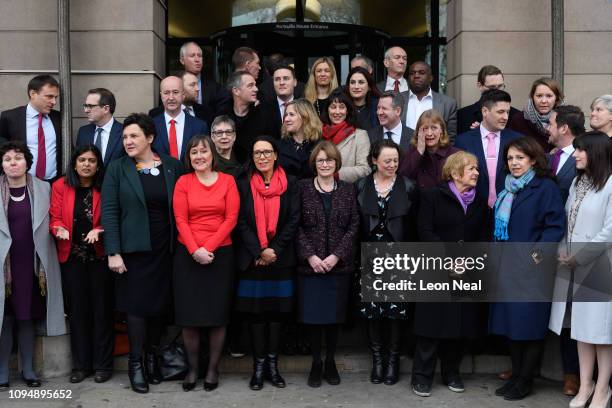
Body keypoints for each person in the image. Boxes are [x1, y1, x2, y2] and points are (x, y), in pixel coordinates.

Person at [101, 113, 184, 394]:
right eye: (125, 137)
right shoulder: (117, 168)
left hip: (166, 249)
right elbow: (109, 212)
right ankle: (136, 364)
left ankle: (152, 358)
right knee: (136, 308)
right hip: (133, 251)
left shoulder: (173, 166)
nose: (128, 141)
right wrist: (113, 252)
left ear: (149, 138)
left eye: (134, 136)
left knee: (159, 307)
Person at [489, 136, 566, 401]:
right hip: (507, 267)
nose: (514, 163)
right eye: (510, 158)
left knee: (530, 326)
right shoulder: (508, 187)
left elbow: (555, 226)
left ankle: (525, 380)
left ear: (533, 159)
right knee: (511, 325)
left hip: (533, 269)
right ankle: (517, 375)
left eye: (520, 158)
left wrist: (536, 257)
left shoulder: (545, 187)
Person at [412, 151, 490, 397]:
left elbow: (482, 237)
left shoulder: (479, 202)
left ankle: (451, 373)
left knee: (459, 325)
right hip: (437, 269)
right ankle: (422, 377)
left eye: (477, 168)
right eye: (471, 169)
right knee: (431, 327)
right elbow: (425, 231)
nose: (476, 172)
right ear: (455, 173)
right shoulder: (433, 196)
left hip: (466, 271)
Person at [549, 131, 612, 408]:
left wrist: (582, 256)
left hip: (601, 267)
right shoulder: (578, 181)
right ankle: (585, 386)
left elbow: (610, 230)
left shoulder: (611, 184)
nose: (575, 154)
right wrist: (564, 248)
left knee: (601, 332)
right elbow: (568, 219)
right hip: (573, 265)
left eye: (580, 150)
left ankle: (603, 389)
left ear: (596, 152)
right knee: (580, 328)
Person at [172, 135, 240, 392]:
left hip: (219, 255)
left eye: (203, 152)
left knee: (216, 315)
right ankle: (192, 370)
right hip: (187, 255)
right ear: (188, 157)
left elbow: (231, 218)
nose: (199, 157)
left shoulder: (228, 181)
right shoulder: (183, 182)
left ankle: (212, 369)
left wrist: (208, 248)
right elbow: (180, 219)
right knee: (189, 317)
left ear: (213, 155)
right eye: (193, 153)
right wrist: (195, 250)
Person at [234, 135, 300, 391]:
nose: (262, 157)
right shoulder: (242, 184)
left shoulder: (291, 183)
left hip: (281, 259)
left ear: (275, 155)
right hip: (253, 260)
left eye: (266, 152)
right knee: (256, 315)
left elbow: (294, 219)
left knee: (277, 314)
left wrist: (274, 250)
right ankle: (258, 367)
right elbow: (239, 221)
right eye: (257, 153)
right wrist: (260, 250)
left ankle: (273, 366)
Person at [0, 141, 66, 390]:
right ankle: (2, 371)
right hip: (4, 265)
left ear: (27, 162)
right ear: (2, 165)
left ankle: (28, 369)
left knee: (26, 318)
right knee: (5, 319)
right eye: (7, 159)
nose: (13, 163)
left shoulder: (43, 188)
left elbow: (55, 218)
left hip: (33, 263)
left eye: (18, 158)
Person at [356, 139, 418, 386]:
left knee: (395, 313)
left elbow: (413, 226)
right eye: (387, 161)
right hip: (370, 257)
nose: (392, 165)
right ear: (374, 161)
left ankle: (392, 361)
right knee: (373, 312)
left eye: (396, 160)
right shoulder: (361, 185)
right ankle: (377, 361)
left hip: (399, 257)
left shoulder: (409, 186)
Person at [297, 141, 359, 387]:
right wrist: (310, 256)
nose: (325, 164)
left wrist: (336, 256)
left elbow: (354, 225)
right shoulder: (301, 188)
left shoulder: (347, 189)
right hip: (310, 267)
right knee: (313, 318)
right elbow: (296, 225)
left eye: (329, 160)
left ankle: (331, 361)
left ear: (336, 163)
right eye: (321, 160)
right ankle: (315, 362)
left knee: (333, 318)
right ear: (314, 163)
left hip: (338, 267)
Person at [50, 145, 114, 384]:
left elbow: (112, 216)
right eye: (82, 160)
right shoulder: (60, 186)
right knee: (78, 313)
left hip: (99, 258)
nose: (87, 164)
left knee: (102, 312)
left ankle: (103, 365)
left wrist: (101, 229)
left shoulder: (105, 186)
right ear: (74, 163)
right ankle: (81, 365)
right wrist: (58, 229)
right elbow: (55, 217)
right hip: (72, 259)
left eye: (92, 160)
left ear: (98, 165)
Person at [546, 105, 585, 397]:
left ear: (564, 128)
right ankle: (530, 367)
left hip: (572, 246)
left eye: (551, 123)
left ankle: (572, 373)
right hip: (547, 242)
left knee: (571, 313)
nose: (547, 128)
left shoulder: (585, 158)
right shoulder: (548, 158)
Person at [455, 89, 522, 208]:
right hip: (473, 211)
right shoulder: (462, 142)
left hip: (509, 210)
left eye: (507, 112)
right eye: (500, 112)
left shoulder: (517, 141)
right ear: (485, 111)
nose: (505, 117)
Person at [0, 75, 62, 181]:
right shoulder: (10, 117)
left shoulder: (59, 118)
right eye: (49, 96)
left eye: (55, 97)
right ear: (33, 94)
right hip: (20, 182)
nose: (54, 102)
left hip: (53, 182)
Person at [399, 109, 460, 189]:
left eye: (434, 128)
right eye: (425, 128)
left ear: (442, 130)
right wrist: (419, 151)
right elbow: (403, 178)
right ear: (418, 132)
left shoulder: (454, 155)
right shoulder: (412, 153)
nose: (429, 133)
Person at [152, 76, 209, 161]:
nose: (171, 97)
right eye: (166, 93)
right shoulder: (151, 125)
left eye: (175, 92)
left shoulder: (199, 126)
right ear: (161, 96)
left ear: (183, 95)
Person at [228, 70, 279, 163]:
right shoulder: (223, 116)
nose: (256, 89)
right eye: (250, 85)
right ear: (236, 91)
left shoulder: (265, 114)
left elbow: (273, 144)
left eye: (255, 85)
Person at [321, 89, 371, 183]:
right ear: (327, 110)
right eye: (333, 107)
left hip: (348, 191)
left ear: (347, 111)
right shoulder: (319, 134)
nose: (337, 112)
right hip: (322, 189)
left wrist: (335, 173)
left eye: (341, 107)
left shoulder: (360, 135)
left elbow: (365, 169)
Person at [400, 61, 458, 142]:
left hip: (435, 153)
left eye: (421, 72)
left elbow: (450, 138)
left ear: (430, 78)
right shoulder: (397, 99)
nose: (416, 75)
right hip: (403, 152)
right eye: (412, 73)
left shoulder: (448, 103)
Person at [456, 65, 520, 134]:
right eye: (492, 87)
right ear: (480, 86)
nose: (497, 91)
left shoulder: (516, 116)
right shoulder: (463, 115)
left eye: (500, 86)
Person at [509, 77, 564, 151]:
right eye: (539, 96)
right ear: (532, 97)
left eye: (549, 96)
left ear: (556, 98)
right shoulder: (519, 120)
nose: (544, 101)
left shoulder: (565, 118)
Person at [178, 41, 231, 117]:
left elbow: (222, 116)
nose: (197, 59)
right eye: (192, 56)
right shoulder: (173, 85)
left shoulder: (216, 89)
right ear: (182, 60)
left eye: (199, 56)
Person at [76, 88, 125, 165]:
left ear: (106, 109)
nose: (86, 110)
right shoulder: (83, 132)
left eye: (90, 106)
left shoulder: (124, 132)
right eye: (85, 106)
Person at [278, 99, 322, 179]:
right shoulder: (278, 146)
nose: (286, 119)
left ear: (305, 117)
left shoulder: (320, 146)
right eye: (286, 115)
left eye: (291, 115)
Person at [149, 71, 215, 125]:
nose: (197, 89)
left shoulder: (206, 112)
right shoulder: (155, 114)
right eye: (192, 85)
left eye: (197, 84)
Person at [345, 66, 381, 131]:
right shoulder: (342, 107)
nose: (356, 86)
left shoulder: (378, 108)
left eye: (361, 82)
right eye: (352, 82)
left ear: (369, 87)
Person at [270, 64, 299, 133]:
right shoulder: (264, 108)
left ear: (295, 82)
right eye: (277, 79)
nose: (281, 83)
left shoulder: (304, 107)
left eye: (286, 78)